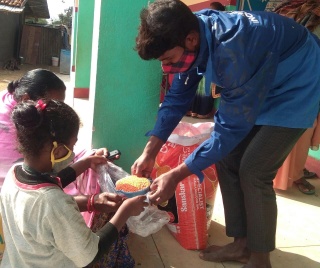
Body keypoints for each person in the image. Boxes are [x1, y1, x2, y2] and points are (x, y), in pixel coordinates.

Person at [132, 1, 320, 267]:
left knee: (255, 170)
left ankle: (260, 258)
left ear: (190, 40)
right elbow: (176, 100)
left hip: (296, 83)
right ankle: (242, 245)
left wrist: (176, 175)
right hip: (263, 75)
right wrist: (149, 151)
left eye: (168, 59)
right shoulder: (192, 31)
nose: (166, 68)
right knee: (227, 157)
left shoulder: (233, 52)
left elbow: (229, 129)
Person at [0, 69, 136, 267]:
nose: (73, 153)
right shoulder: (54, 203)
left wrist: (87, 168)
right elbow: (89, 254)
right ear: (57, 151)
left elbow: (53, 183)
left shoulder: (16, 172)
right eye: (72, 147)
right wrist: (125, 211)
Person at [271, 0, 320, 195]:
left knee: (300, 129)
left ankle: (292, 172)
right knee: (302, 130)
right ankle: (294, 174)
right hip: (304, 79)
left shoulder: (288, 8)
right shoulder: (293, 11)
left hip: (288, 78)